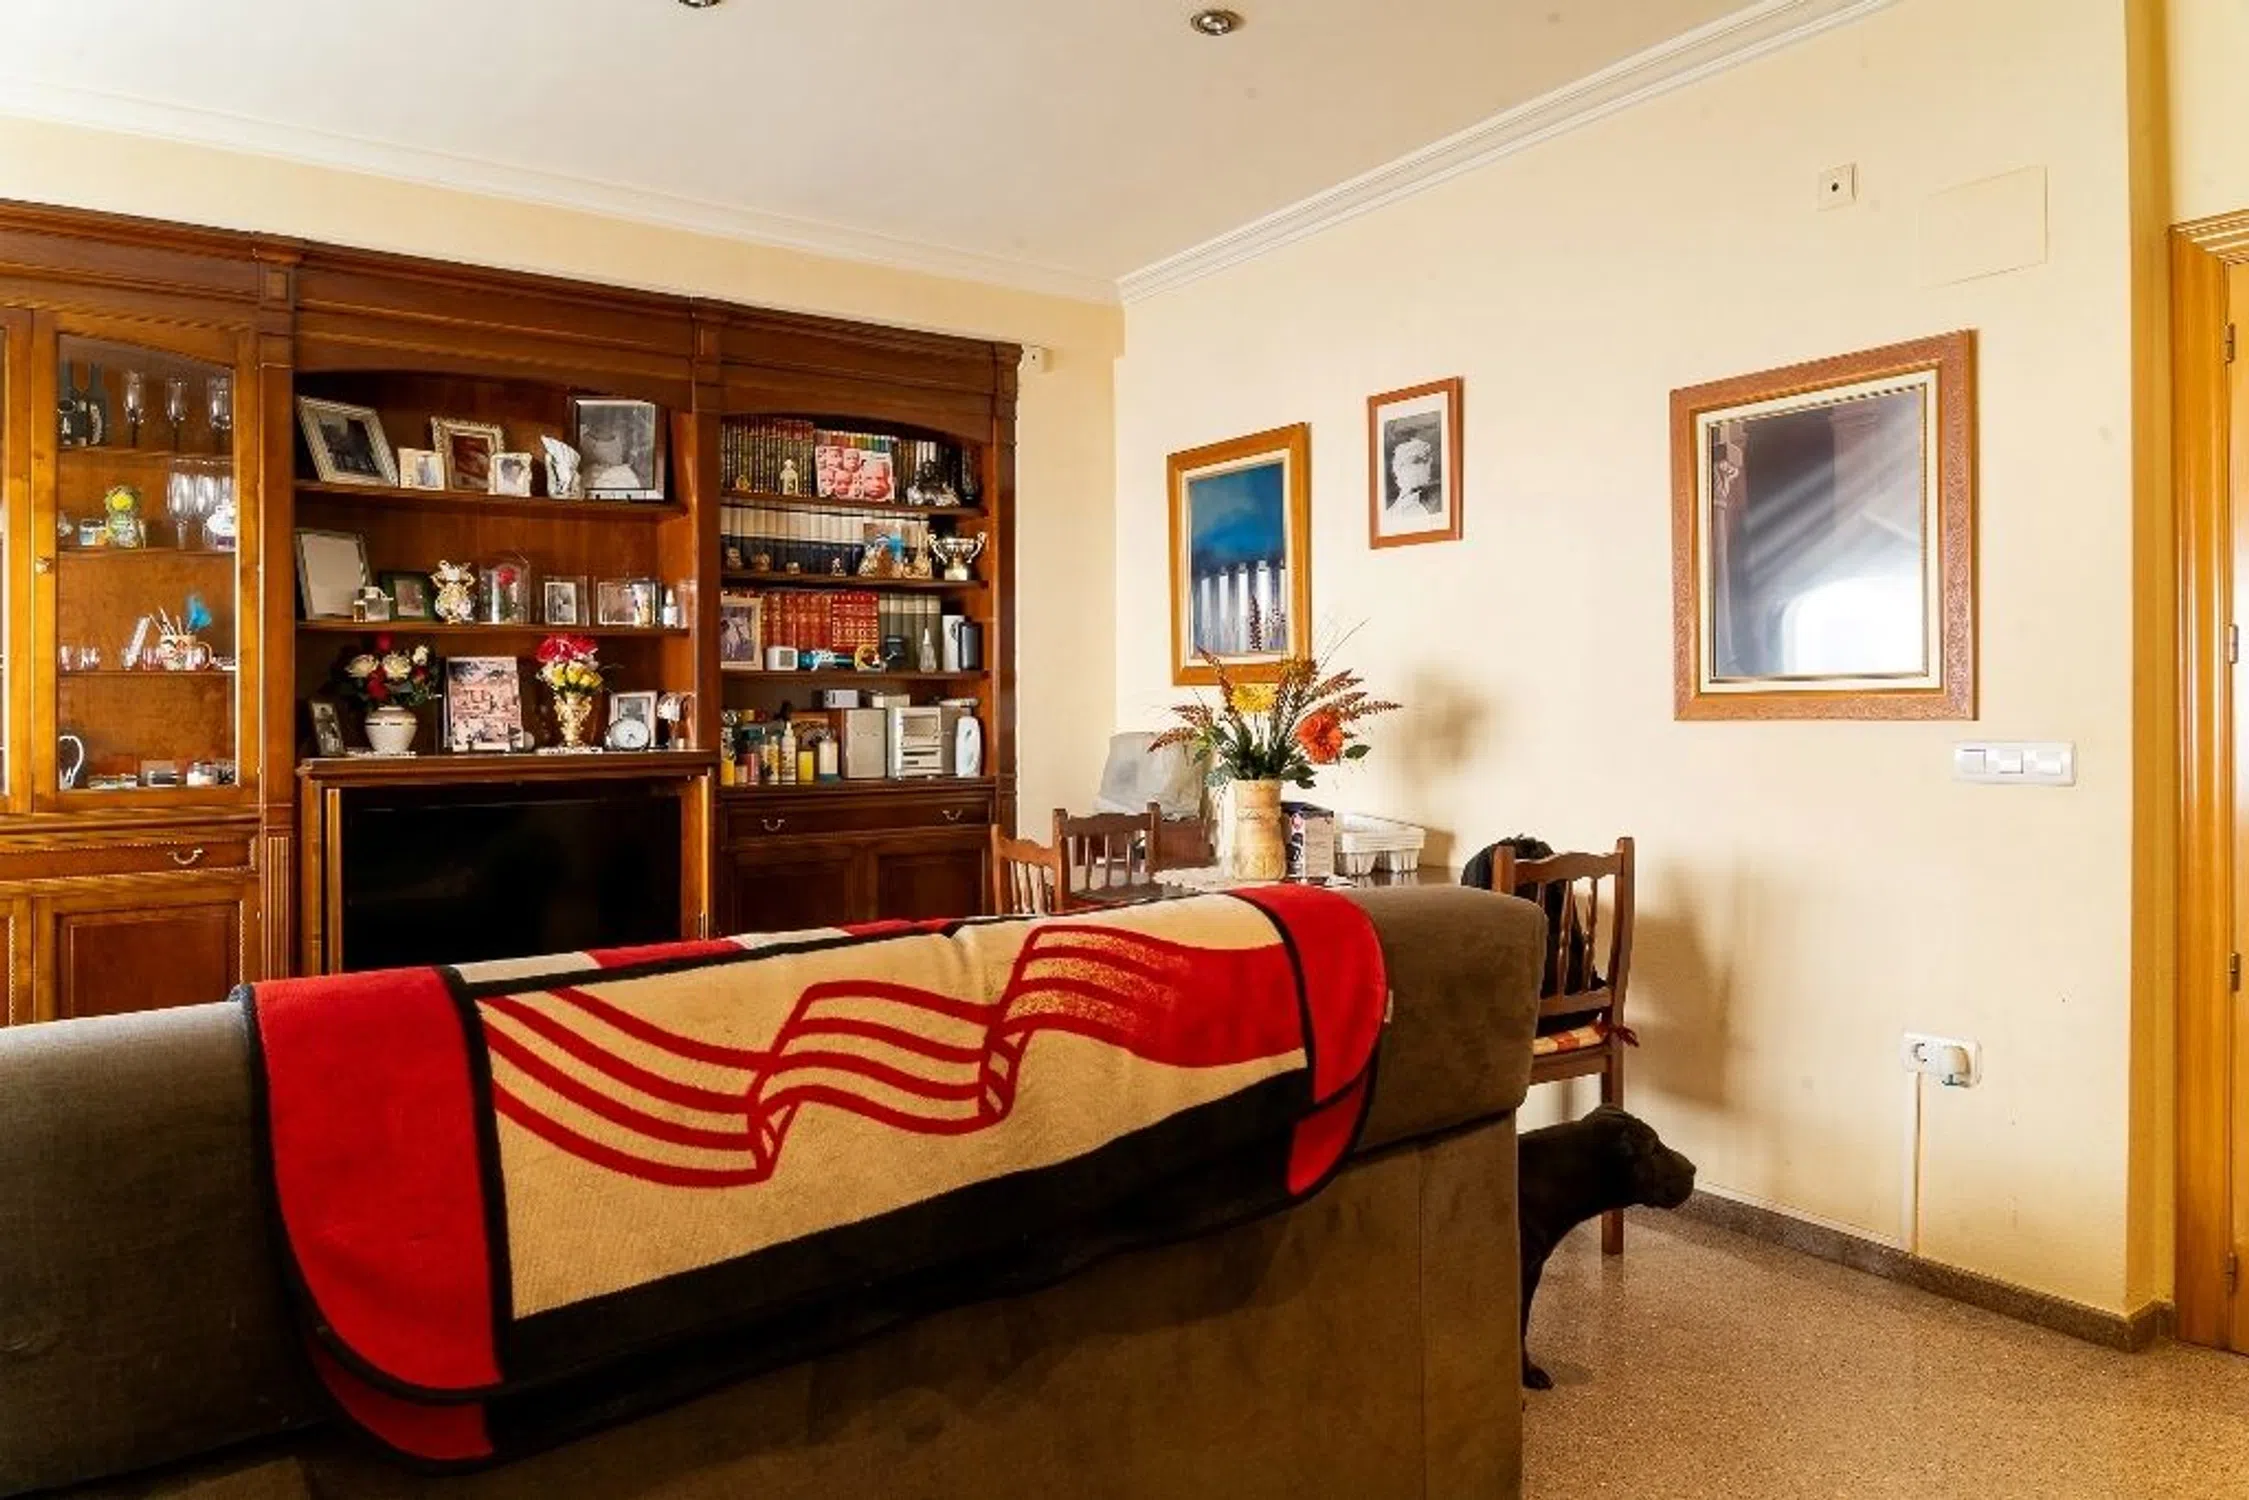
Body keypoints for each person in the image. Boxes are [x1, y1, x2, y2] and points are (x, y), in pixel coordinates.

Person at [1386, 431, 1443, 519]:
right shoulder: (1391, 510)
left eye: (1426, 462)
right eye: (1416, 462)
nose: (1423, 467)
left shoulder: (1434, 500)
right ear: (1399, 468)